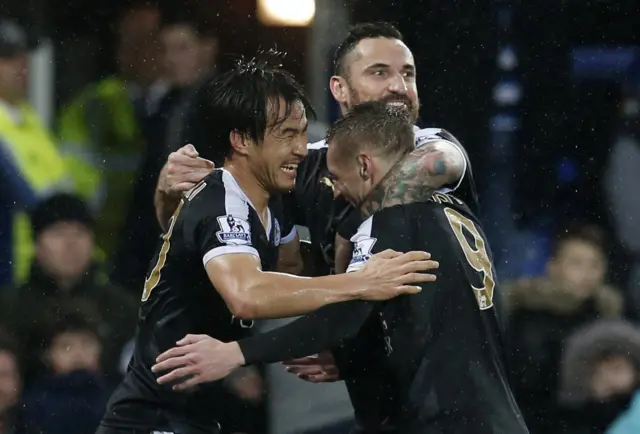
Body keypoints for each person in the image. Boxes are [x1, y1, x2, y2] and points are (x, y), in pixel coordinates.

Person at [97, 62, 437, 434]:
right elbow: (247, 294)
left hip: (195, 415)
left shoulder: (266, 204)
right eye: (287, 135)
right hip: (152, 418)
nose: (301, 149)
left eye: (303, 134)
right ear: (241, 139)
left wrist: (358, 252)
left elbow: (291, 262)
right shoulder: (221, 201)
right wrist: (362, 281)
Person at [151, 102, 528, 434]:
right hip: (497, 417)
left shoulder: (391, 220)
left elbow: (344, 317)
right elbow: (431, 323)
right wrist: (350, 359)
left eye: (335, 176)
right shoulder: (453, 209)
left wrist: (235, 353)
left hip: (446, 422)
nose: (333, 189)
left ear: (365, 165)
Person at [153, 22, 477, 277]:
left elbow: (442, 163)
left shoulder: (430, 142)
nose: (399, 87)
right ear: (339, 88)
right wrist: (168, 195)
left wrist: (351, 230)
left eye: (408, 74)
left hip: (443, 355)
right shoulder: (306, 164)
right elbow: (221, 236)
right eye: (379, 72)